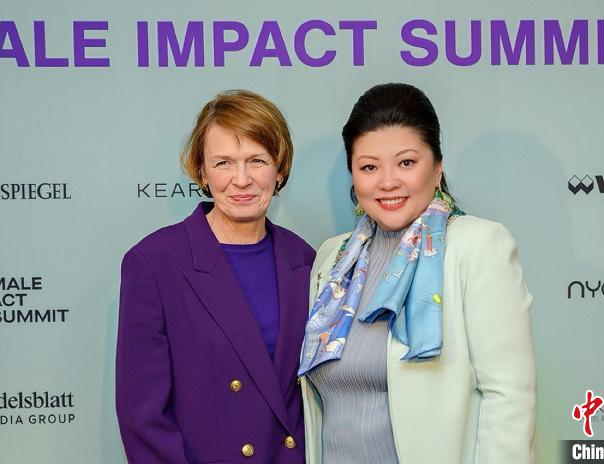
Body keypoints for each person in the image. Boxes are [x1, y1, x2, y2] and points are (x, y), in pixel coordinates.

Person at [298, 83, 536, 464]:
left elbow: (509, 397)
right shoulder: (334, 259)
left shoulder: (477, 247)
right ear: (353, 176)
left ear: (437, 168)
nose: (387, 181)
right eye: (369, 167)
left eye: (406, 163)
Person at [116, 90, 314, 463]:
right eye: (224, 162)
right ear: (201, 171)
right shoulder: (154, 263)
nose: (242, 179)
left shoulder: (304, 259)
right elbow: (143, 418)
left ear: (279, 169)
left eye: (257, 160)